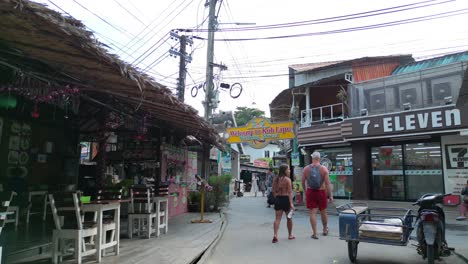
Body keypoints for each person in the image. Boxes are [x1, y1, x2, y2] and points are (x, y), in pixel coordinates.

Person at [302, 151, 333, 239]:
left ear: (312, 158)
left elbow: (303, 182)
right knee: (323, 211)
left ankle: (315, 233)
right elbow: (327, 184)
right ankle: (324, 229)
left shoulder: (306, 169)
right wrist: (330, 195)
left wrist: (305, 192)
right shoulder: (324, 169)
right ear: (319, 159)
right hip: (321, 191)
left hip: (310, 192)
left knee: (312, 212)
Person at [272, 163, 295, 243]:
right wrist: (291, 204)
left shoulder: (276, 179)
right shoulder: (288, 180)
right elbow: (290, 192)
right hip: (286, 200)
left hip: (278, 199)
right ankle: (290, 235)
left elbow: (273, 191)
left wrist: (277, 198)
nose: (289, 170)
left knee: (277, 219)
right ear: (285, 170)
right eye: (288, 169)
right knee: (289, 218)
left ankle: (275, 235)